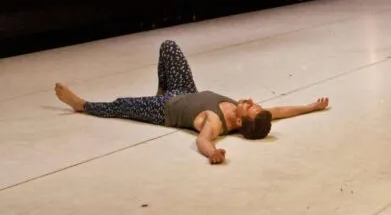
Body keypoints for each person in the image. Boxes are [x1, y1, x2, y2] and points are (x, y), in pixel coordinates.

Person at [54, 40, 330, 165]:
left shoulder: (216, 122)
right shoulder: (245, 113)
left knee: (121, 105)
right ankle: (161, 89)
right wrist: (311, 106)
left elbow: (203, 140)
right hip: (183, 89)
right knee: (169, 47)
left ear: (239, 121)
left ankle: (82, 105)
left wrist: (212, 154)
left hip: (162, 109)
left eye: (251, 107)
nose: (251, 101)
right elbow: (280, 111)